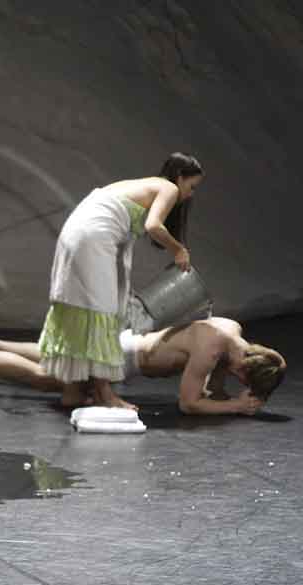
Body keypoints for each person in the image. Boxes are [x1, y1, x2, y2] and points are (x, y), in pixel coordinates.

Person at [41, 153, 203, 410]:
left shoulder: (144, 184)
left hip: (78, 233)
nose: (191, 194)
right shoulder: (168, 187)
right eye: (192, 187)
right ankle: (105, 395)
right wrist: (178, 249)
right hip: (93, 236)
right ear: (180, 178)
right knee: (101, 310)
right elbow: (153, 225)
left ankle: (72, 392)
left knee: (85, 307)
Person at [0, 317, 285, 416]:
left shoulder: (233, 332)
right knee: (50, 380)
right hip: (120, 356)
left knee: (60, 355)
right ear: (244, 370)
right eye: (245, 382)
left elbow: (216, 383)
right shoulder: (212, 350)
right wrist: (235, 406)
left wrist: (224, 396)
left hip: (127, 345)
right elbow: (188, 403)